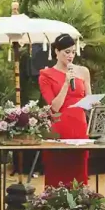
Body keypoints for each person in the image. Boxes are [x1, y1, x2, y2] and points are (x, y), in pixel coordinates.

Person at [38, 34, 91, 187]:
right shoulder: (46, 75)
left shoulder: (83, 71)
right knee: (57, 172)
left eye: (73, 52)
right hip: (59, 126)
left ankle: (80, 207)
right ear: (56, 51)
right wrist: (66, 84)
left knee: (79, 173)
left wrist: (92, 103)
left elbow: (88, 99)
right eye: (66, 52)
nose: (70, 56)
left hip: (80, 126)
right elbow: (54, 106)